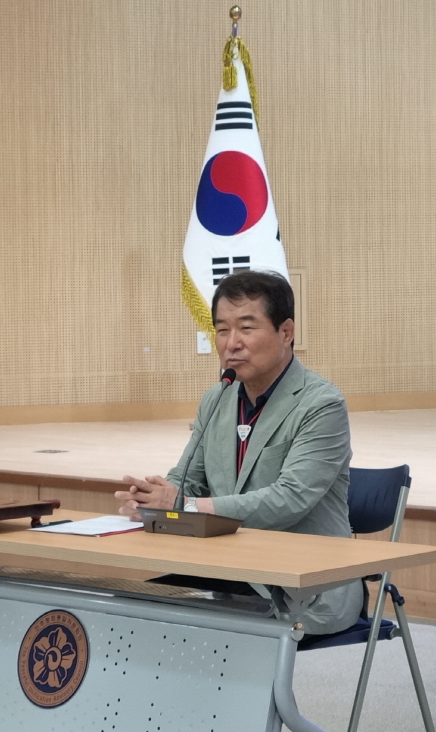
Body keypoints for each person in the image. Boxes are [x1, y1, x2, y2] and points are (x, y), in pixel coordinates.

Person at [115, 269, 363, 635]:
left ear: (286, 332)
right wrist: (154, 501)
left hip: (303, 584)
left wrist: (183, 505)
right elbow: (187, 480)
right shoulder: (217, 398)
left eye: (246, 328)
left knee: (180, 628)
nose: (231, 343)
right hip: (230, 571)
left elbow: (289, 500)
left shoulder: (321, 403)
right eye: (222, 329)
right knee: (125, 609)